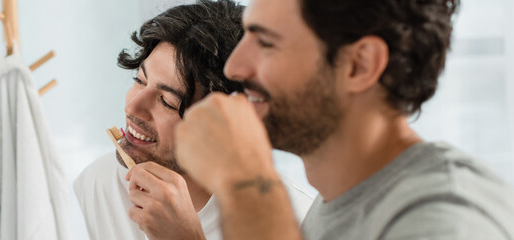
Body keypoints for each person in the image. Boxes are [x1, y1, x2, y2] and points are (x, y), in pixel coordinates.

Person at [175, 0, 514, 239]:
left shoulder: (446, 218)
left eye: (266, 42)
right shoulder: (337, 202)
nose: (235, 67)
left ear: (359, 65)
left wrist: (245, 181)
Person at [73, 1, 314, 239]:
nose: (132, 107)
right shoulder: (98, 184)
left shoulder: (303, 225)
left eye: (167, 101)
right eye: (140, 80)